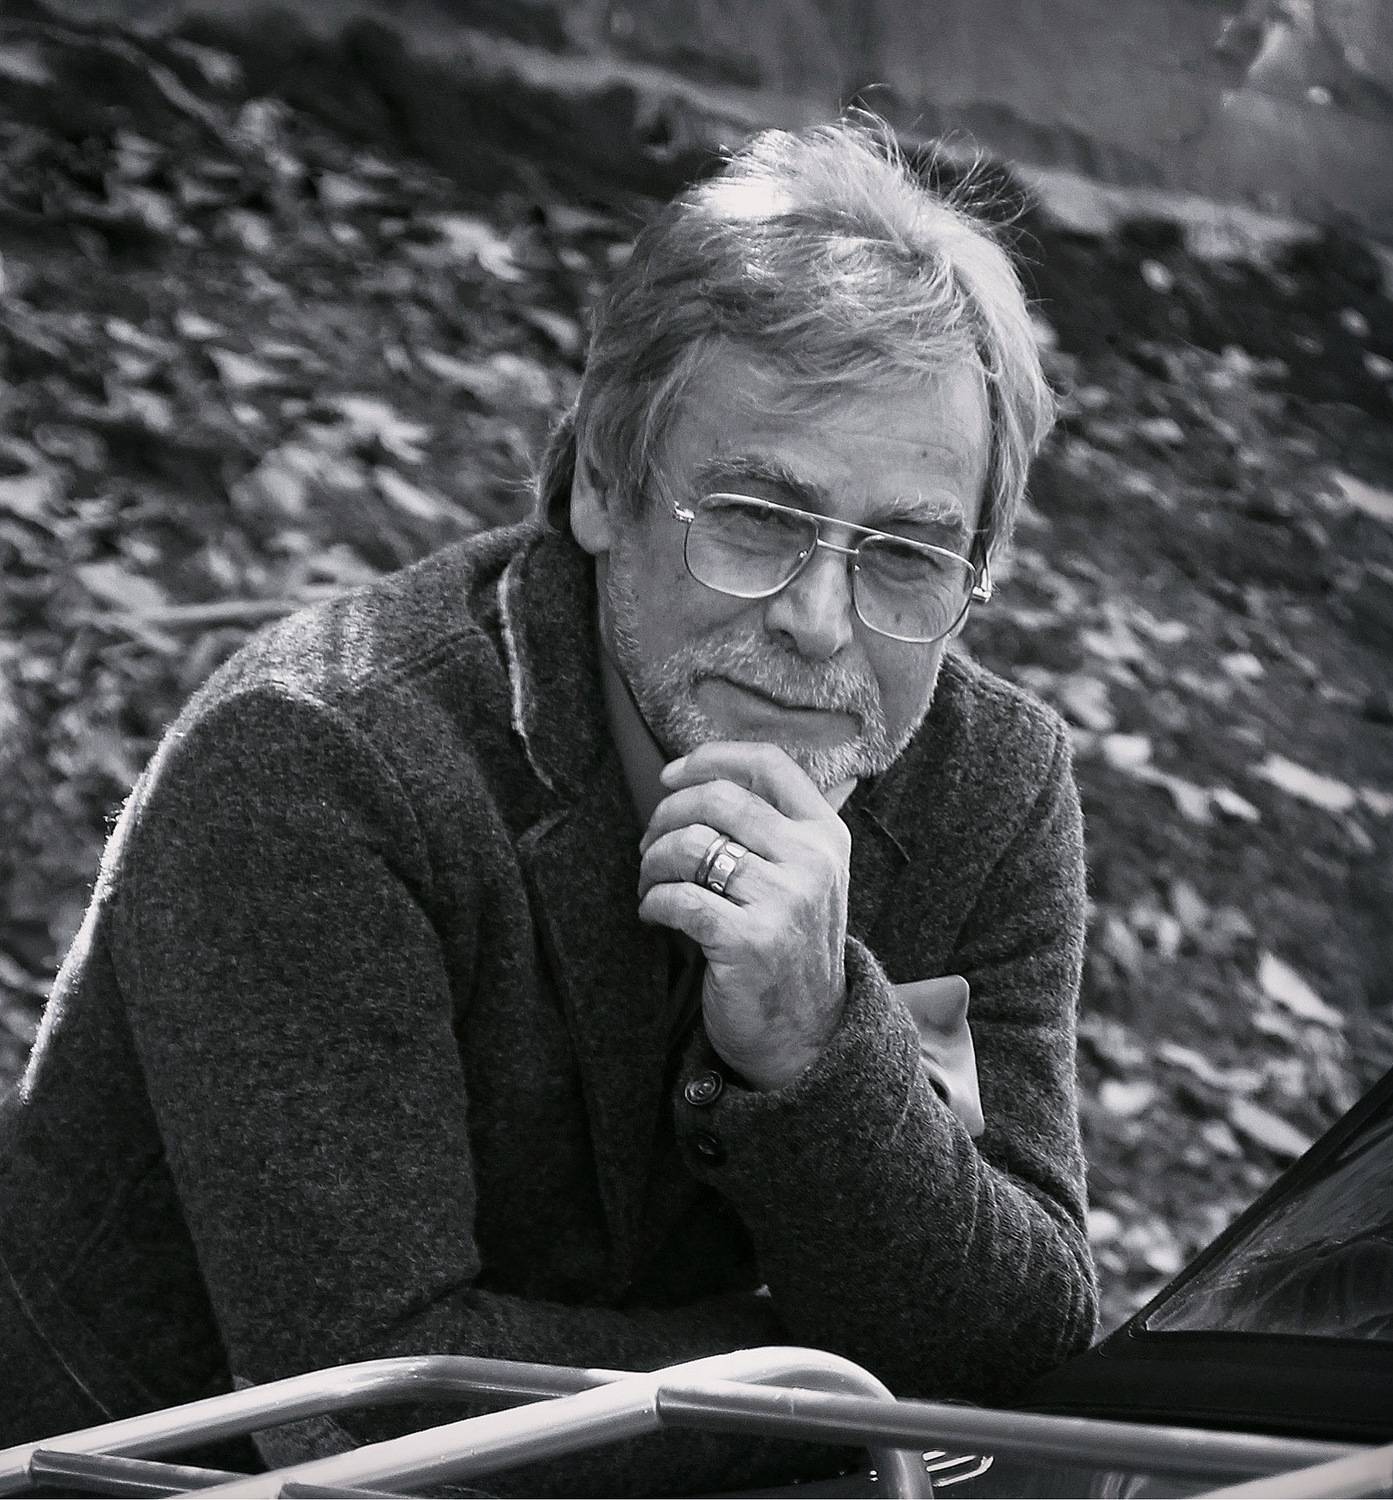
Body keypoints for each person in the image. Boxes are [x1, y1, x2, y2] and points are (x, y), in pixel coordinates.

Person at [0, 119, 1096, 1495]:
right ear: (597, 485)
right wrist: (824, 1379)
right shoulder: (316, 761)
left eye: (906, 554)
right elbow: (376, 1415)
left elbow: (1026, 1341)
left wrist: (821, 1050)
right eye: (756, 516)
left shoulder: (989, 786)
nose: (822, 621)